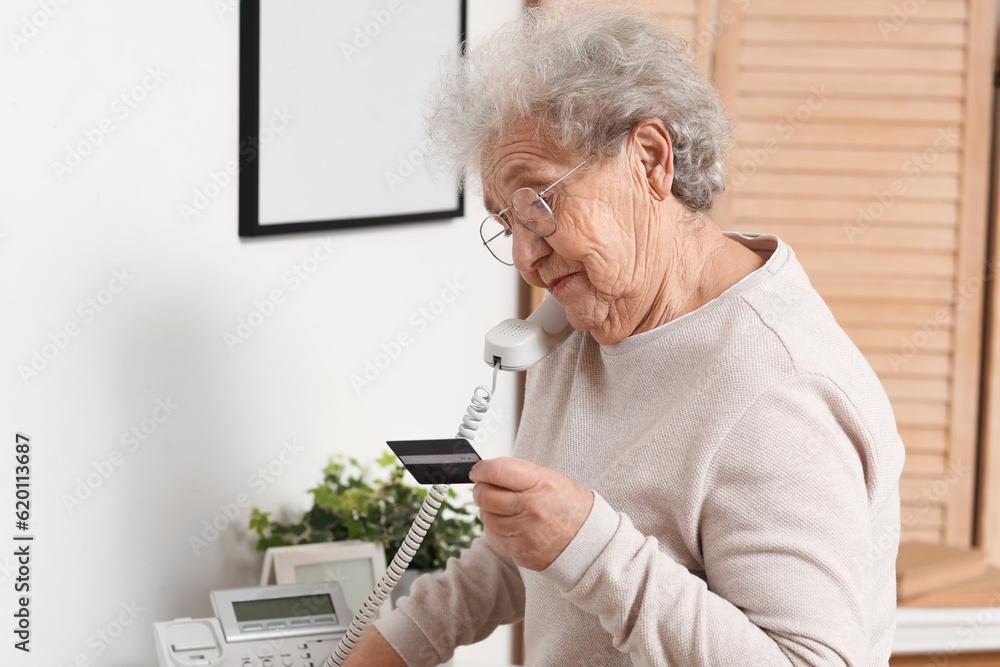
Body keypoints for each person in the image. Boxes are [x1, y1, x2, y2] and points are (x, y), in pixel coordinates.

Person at [343, 3, 905, 665]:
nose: (525, 256)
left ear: (648, 159)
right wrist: (392, 646)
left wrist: (589, 545)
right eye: (506, 223)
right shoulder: (590, 318)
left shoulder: (780, 390)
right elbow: (534, 545)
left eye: (539, 205)